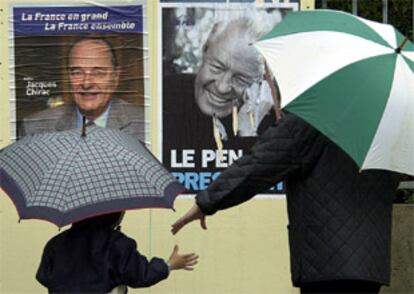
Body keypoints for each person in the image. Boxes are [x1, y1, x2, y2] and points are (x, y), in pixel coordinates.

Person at [171, 111, 401, 293]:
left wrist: (207, 201)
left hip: (325, 261)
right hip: (371, 263)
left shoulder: (314, 113)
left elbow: (259, 164)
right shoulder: (387, 122)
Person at [19, 37, 145, 141]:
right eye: (77, 72)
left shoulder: (145, 125)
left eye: (98, 73)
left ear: (115, 77)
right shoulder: (35, 127)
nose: (86, 83)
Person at [37, 212, 198, 293]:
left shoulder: (55, 244)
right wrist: (168, 265)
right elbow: (141, 275)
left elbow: (43, 276)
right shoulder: (117, 244)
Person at [194, 17, 277, 141]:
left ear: (262, 84)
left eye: (241, 79)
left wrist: (248, 129)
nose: (222, 88)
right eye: (217, 68)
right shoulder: (165, 95)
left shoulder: (276, 123)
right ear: (205, 51)